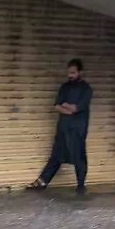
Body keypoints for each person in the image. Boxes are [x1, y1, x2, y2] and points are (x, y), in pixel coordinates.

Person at [28, 59, 93, 193]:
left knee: (79, 157)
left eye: (73, 73)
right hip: (63, 128)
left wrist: (67, 106)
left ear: (80, 72)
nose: (70, 75)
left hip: (77, 130)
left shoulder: (86, 89)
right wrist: (68, 109)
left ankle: (81, 186)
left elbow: (76, 108)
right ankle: (42, 182)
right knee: (56, 156)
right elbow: (57, 106)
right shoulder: (64, 87)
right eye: (69, 72)